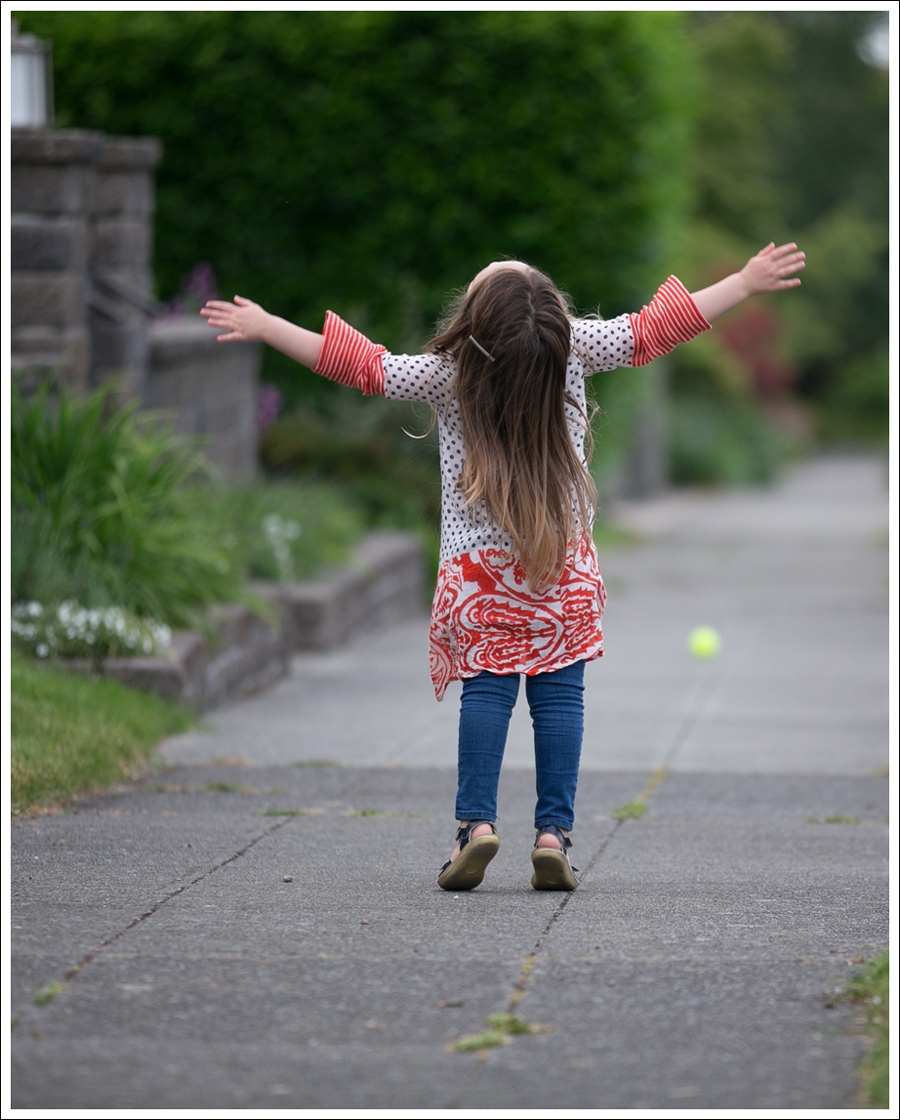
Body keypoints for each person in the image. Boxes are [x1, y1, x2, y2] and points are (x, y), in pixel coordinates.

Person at [201, 241, 805, 892]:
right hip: (561, 566)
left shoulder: (448, 370)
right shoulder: (573, 348)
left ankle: (477, 829)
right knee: (560, 700)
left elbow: (362, 366)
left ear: (476, 322)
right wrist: (742, 282)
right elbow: (656, 329)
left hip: (475, 577)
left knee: (486, 694)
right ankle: (554, 835)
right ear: (549, 319)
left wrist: (266, 327)